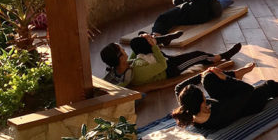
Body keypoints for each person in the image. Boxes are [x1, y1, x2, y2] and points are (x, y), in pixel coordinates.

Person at [171, 61, 278, 130]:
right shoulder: (221, 112)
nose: (205, 96)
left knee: (208, 78)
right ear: (202, 103)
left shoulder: (188, 106)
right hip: (246, 105)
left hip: (224, 100)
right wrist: (224, 77)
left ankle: (237, 74)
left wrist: (203, 74)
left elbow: (178, 88)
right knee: (267, 86)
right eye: (203, 96)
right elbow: (247, 90)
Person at [100, 34, 241, 88]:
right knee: (198, 55)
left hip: (151, 61)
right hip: (169, 68)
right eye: (122, 50)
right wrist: (153, 46)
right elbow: (162, 65)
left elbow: (135, 57)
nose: (125, 50)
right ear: (120, 56)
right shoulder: (137, 73)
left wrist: (144, 43)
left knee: (138, 40)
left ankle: (162, 39)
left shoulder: (119, 69)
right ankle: (221, 56)